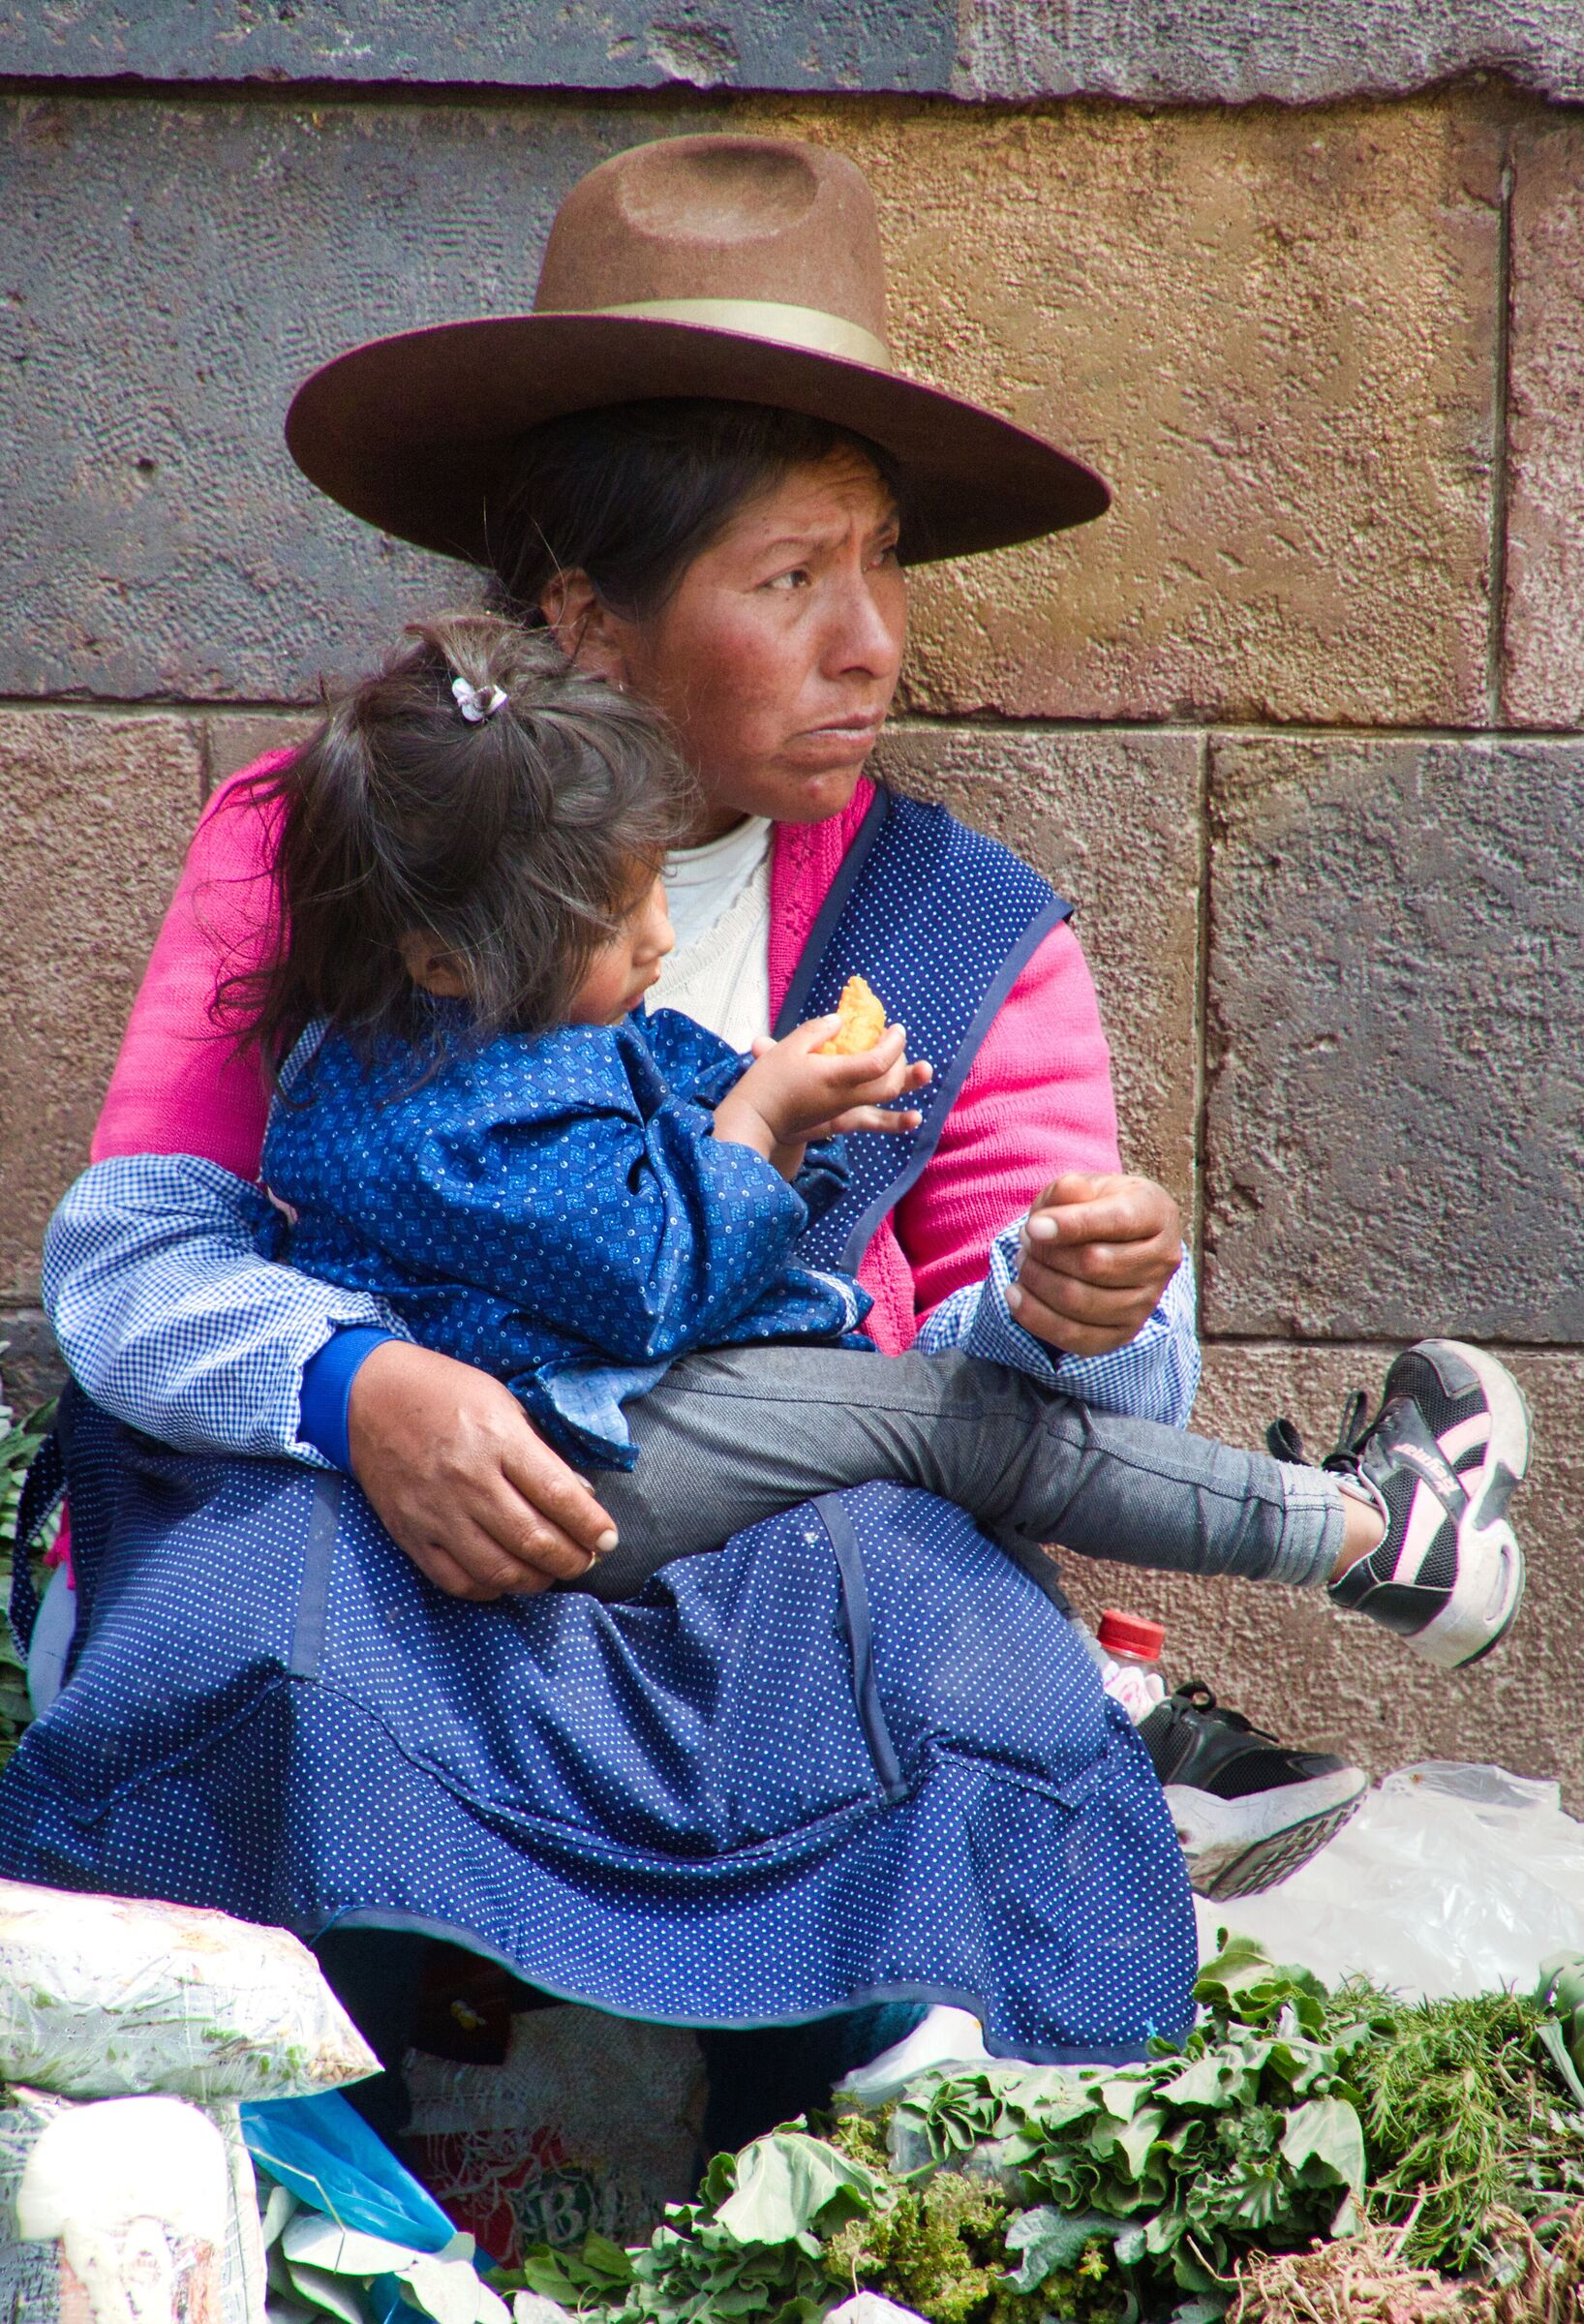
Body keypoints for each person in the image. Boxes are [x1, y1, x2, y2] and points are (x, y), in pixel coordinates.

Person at [7, 131, 1460, 2138]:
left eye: (878, 567)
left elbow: (1040, 1409)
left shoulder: (959, 934)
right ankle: (251, 2175)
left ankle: (907, 2147)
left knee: (945, 1654)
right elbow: (131, 1272)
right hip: (380, 1516)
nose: (870, 639)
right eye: (790, 580)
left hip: (782, 1538)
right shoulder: (321, 852)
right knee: (242, 1637)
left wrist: (1069, 1303)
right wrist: (359, 1388)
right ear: (588, 623)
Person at [243, 612, 1526, 1651]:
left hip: (619, 1422)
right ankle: (1368, 1536)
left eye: (654, 897)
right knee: (954, 1426)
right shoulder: (425, 1127)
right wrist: (760, 1120)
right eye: (614, 919)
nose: (659, 943)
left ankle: (1144, 1675)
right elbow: (645, 1277)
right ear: (440, 957)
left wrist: (785, 1094)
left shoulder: (491, 1042)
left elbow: (666, 1091)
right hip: (576, 1457)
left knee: (957, 1466)